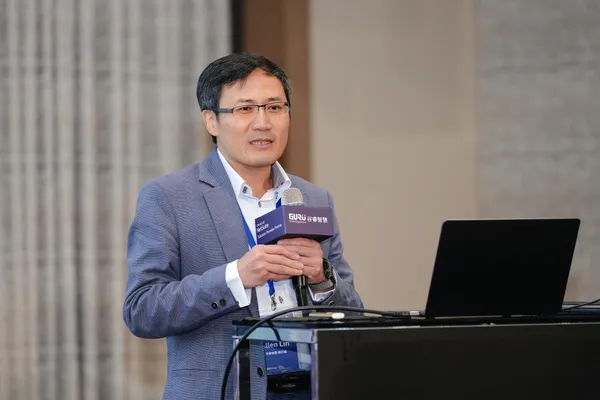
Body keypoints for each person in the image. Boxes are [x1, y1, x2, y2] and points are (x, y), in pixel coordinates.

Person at [123, 52, 363, 400]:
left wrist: (321, 278)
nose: (263, 122)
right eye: (245, 109)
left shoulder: (312, 197)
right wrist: (235, 277)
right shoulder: (169, 197)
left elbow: (354, 313)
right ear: (211, 121)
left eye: (275, 107)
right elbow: (142, 310)